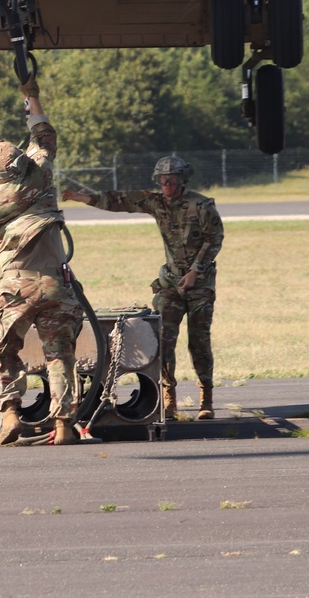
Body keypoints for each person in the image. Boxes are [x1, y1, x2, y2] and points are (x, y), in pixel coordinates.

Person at [0, 80, 83, 446]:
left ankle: (10, 414)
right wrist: (30, 96)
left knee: (5, 351)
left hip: (16, 285)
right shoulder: (40, 173)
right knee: (59, 355)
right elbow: (45, 136)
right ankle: (64, 425)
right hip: (55, 282)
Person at [64, 154, 223, 421]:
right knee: (163, 342)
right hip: (170, 283)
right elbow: (120, 200)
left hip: (200, 285)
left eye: (172, 180)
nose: (167, 186)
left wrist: (196, 271)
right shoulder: (156, 202)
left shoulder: (202, 205)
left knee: (199, 342)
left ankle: (205, 398)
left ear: (183, 181)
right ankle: (168, 399)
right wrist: (83, 198)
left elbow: (214, 239)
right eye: (162, 180)